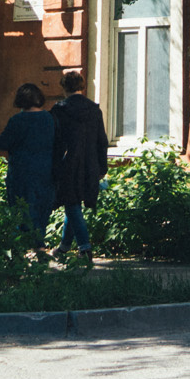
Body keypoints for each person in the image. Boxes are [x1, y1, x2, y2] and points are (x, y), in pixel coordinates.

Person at [49, 70, 110, 263]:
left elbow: (55, 142)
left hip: (68, 164)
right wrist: (102, 167)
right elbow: (102, 141)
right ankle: (64, 247)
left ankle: (85, 248)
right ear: (82, 86)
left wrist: (53, 166)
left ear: (64, 87)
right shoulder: (94, 109)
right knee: (73, 204)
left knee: (71, 203)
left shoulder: (59, 110)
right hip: (90, 163)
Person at [0, 83, 56, 244]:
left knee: (21, 208)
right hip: (45, 170)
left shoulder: (17, 120)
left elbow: (2, 143)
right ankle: (39, 243)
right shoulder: (49, 118)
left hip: (21, 171)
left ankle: (24, 245)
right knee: (41, 207)